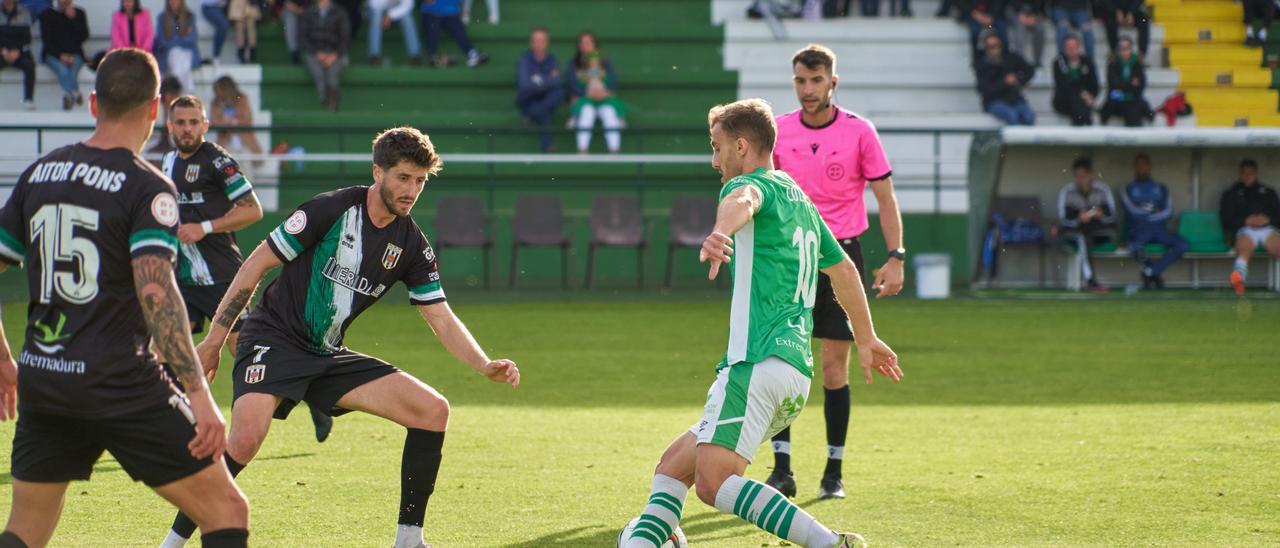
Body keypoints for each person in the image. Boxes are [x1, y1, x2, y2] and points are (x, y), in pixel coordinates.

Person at [157, 126, 522, 548]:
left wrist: (482, 363)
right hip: (272, 338)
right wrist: (215, 341)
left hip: (325, 354)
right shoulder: (329, 209)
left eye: (420, 181)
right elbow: (254, 265)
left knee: (432, 410)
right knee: (245, 439)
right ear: (378, 172)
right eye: (403, 177)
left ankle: (409, 540)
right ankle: (173, 542)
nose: (412, 190)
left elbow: (440, 317)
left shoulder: (411, 244)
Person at [618, 98, 902, 548]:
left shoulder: (754, 185)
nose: (714, 161)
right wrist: (865, 339)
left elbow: (743, 200)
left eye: (717, 147)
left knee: (714, 484)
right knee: (673, 468)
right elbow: (845, 270)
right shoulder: (800, 200)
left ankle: (829, 544)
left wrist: (720, 232)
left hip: (757, 362)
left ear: (743, 146)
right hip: (792, 375)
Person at [0, 47, 250, 548]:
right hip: (121, 382)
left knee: (25, 529)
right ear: (155, 109)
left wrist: (6, 359)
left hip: (44, 377)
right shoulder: (147, 186)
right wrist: (200, 397)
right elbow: (157, 295)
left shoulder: (39, 173)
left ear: (93, 103)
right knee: (227, 510)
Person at [766, 43, 906, 501]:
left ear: (832, 82)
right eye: (800, 81)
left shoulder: (860, 132)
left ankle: (833, 471)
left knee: (833, 368)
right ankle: (781, 469)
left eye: (816, 80)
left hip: (842, 256)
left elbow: (885, 198)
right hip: (791, 259)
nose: (808, 89)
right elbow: (764, 194)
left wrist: (896, 256)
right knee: (781, 361)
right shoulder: (779, 132)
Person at [1121, 153, 1187, 289]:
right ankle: (1153, 274)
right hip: (1138, 230)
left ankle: (1150, 271)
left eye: (1144, 164)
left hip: (1159, 230)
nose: (1141, 168)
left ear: (1149, 166)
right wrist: (1152, 210)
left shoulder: (1161, 188)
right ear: (1134, 167)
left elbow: (1168, 212)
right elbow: (1131, 212)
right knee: (1133, 246)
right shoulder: (1127, 188)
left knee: (1182, 245)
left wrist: (1145, 212)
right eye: (1138, 165)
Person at [1220, 158, 1280, 295]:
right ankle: (1239, 278)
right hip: (1244, 230)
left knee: (1278, 248)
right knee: (1245, 249)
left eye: (1251, 173)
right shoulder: (1231, 194)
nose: (1248, 176)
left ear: (1256, 173)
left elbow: (1278, 215)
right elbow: (1226, 219)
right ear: (1240, 174)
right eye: (1244, 173)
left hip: (1267, 229)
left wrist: (1268, 219)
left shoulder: (1268, 192)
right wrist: (1246, 221)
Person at [1057, 156, 1116, 293]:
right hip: (1075, 233)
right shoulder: (1068, 192)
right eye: (1077, 176)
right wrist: (1079, 218)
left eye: (1083, 176)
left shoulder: (1102, 190)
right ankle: (1091, 280)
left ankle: (1091, 280)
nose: (1080, 179)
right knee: (1082, 237)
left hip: (1099, 232)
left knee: (1087, 235)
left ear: (1090, 175)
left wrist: (1101, 215)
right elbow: (1063, 219)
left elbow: (1112, 217)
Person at [571, 31, 625, 153]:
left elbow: (613, 80)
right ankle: (582, 150)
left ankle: (614, 151)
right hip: (586, 99)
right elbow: (573, 84)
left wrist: (606, 92)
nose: (586, 45)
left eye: (589, 42)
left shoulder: (604, 61)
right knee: (586, 113)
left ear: (594, 44)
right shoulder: (574, 64)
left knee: (610, 113)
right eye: (583, 43)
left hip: (603, 98)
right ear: (579, 45)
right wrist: (586, 94)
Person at [516, 26, 564, 153]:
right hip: (529, 99)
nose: (539, 44)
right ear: (531, 42)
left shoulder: (552, 59)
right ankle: (548, 145)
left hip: (544, 98)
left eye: (542, 40)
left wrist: (538, 81)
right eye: (536, 40)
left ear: (547, 42)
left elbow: (558, 81)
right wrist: (548, 79)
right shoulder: (524, 59)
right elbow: (525, 85)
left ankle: (530, 115)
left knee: (560, 93)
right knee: (542, 107)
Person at [974, 30, 1036, 125]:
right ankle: (1015, 140)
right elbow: (984, 89)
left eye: (996, 46)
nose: (994, 50)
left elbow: (1029, 70)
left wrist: (1019, 80)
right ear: (986, 48)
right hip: (993, 102)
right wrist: (1004, 82)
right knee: (1012, 115)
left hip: (1014, 99)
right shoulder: (982, 65)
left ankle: (1025, 139)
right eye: (990, 47)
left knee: (1029, 115)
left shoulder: (1010, 58)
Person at [299, 0, 350, 111]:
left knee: (333, 77)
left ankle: (333, 99)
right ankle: (325, 98)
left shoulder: (340, 12)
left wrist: (334, 55)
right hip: (313, 52)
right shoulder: (308, 12)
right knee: (318, 74)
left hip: (334, 52)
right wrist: (317, 53)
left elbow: (345, 38)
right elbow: (303, 38)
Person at [38, 0, 88, 111]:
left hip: (75, 54)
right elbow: (47, 40)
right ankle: (74, 93)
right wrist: (60, 55)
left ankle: (68, 95)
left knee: (73, 70)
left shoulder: (79, 13)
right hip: (52, 55)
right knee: (63, 70)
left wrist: (74, 20)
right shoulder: (47, 15)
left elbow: (84, 36)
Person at [1099, 37, 1151, 127]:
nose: (1124, 51)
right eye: (1121, 48)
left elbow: (1140, 86)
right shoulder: (1113, 63)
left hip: (1133, 99)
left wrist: (1122, 86)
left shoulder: (1137, 64)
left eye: (1127, 48)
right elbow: (1113, 84)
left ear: (1131, 49)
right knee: (1108, 109)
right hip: (1116, 99)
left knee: (1134, 110)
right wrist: (1131, 84)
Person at [420, 0, 489, 68]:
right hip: (432, 12)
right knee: (432, 30)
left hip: (451, 12)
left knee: (458, 30)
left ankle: (473, 54)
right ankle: (432, 57)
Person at [1050, 33, 1099, 126]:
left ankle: (1080, 124)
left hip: (1083, 101)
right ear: (1064, 48)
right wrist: (1083, 94)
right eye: (1069, 47)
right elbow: (1063, 86)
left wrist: (1091, 96)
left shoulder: (1087, 62)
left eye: (1074, 47)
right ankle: (1086, 124)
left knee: (1080, 103)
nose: (1072, 50)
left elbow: (1094, 84)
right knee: (1077, 100)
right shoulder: (1058, 63)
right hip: (1064, 101)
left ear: (1079, 47)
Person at [210, 75, 264, 158]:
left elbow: (247, 120)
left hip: (244, 141)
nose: (216, 92)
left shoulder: (241, 98)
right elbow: (214, 123)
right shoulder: (215, 103)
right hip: (225, 142)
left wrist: (233, 122)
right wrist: (225, 123)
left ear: (226, 88)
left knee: (246, 166)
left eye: (218, 88)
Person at [155, 0, 201, 92]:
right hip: (168, 53)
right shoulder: (162, 18)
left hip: (187, 52)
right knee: (176, 53)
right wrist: (181, 39)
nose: (174, 2)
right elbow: (162, 40)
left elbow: (192, 38)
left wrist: (173, 40)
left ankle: (176, 89)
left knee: (179, 55)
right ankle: (187, 89)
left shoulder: (190, 17)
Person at [0, 0, 35, 110]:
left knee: (29, 65)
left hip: (18, 52)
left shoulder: (24, 13)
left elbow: (27, 38)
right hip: (2, 51)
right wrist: (2, 50)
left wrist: (17, 51)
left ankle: (28, 99)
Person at [367, 0, 421, 66]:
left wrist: (390, 15)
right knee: (376, 18)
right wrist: (385, 16)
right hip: (377, 9)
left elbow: (408, 6)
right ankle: (373, 56)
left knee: (408, 19)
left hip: (397, 9)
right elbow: (373, 4)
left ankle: (415, 55)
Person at [148, 74, 184, 154]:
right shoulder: (151, 108)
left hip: (173, 149)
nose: (175, 98)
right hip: (151, 147)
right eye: (172, 94)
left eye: (176, 94)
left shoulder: (180, 111)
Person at [1007, 0, 1046, 67]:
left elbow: (1040, 3)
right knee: (1020, 29)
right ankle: (1019, 61)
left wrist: (1033, 14)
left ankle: (1037, 61)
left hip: (1034, 11)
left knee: (1040, 29)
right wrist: (1020, 13)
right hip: (1014, 10)